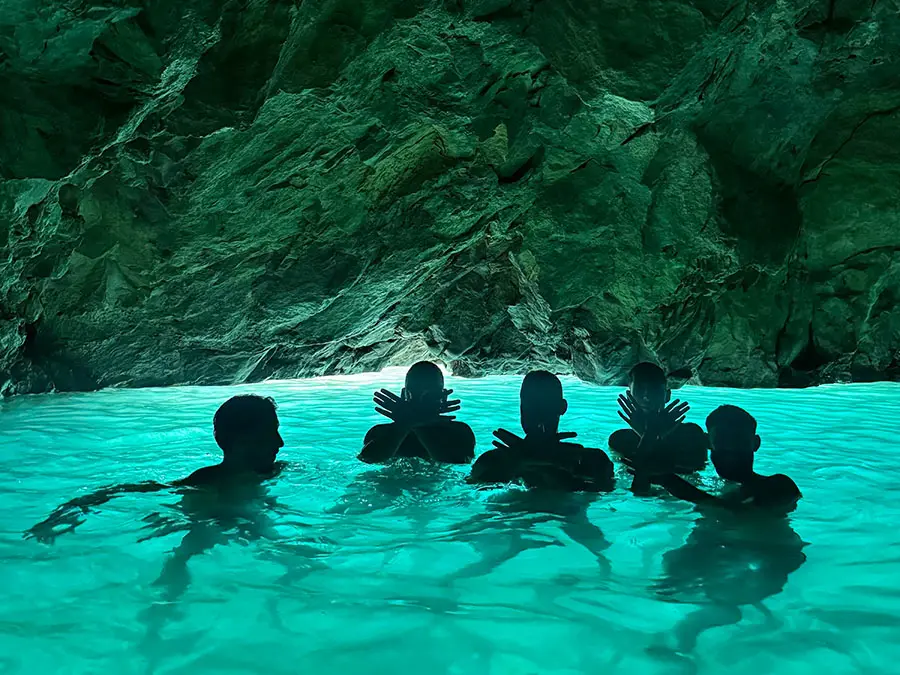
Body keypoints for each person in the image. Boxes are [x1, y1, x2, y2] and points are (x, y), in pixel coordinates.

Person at [24, 394, 286, 543]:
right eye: (270, 434)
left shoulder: (276, 471)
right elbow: (124, 490)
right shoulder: (204, 481)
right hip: (206, 523)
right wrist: (67, 512)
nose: (280, 443)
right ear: (242, 441)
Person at [467, 370, 614, 492]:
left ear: (562, 407)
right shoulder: (584, 460)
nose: (537, 413)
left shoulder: (494, 461)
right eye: (531, 405)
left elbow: (468, 491)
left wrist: (524, 462)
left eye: (544, 405)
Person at [651, 405, 801, 513]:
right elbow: (644, 489)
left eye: (739, 440)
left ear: (756, 443)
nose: (730, 448)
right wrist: (651, 437)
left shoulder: (780, 486)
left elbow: (743, 512)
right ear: (708, 443)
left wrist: (670, 481)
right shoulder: (702, 485)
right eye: (722, 440)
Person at [609, 362, 707, 492]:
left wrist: (648, 435)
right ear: (629, 395)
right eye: (640, 389)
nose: (646, 396)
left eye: (654, 389)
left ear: (667, 395)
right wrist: (652, 434)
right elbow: (637, 490)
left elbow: (693, 471)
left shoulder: (691, 434)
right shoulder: (619, 439)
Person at [359, 361, 476, 464]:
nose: (421, 397)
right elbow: (367, 458)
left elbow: (460, 460)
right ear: (403, 394)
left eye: (430, 394)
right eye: (415, 391)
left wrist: (412, 423)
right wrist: (409, 423)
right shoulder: (380, 431)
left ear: (444, 397)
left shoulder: (459, 431)